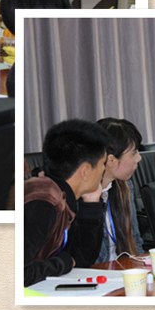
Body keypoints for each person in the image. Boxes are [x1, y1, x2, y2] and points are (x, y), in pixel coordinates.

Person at [23, 119, 110, 286]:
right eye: (102, 164)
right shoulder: (43, 202)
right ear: (85, 171)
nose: (104, 170)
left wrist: (91, 205)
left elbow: (82, 260)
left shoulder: (64, 197)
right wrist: (63, 263)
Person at [91, 118, 144, 263]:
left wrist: (142, 267)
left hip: (124, 269)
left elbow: (135, 240)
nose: (139, 158)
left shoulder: (125, 187)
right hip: (96, 273)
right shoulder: (82, 196)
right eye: (134, 153)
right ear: (111, 160)